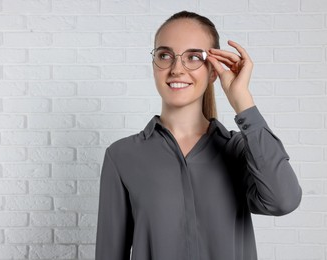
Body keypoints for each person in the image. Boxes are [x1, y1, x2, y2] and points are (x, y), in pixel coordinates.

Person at [95, 11, 302, 260]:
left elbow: (283, 201)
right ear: (154, 65)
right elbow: (109, 253)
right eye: (165, 55)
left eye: (193, 57)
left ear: (213, 71)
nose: (176, 69)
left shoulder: (239, 150)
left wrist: (243, 103)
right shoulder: (122, 156)